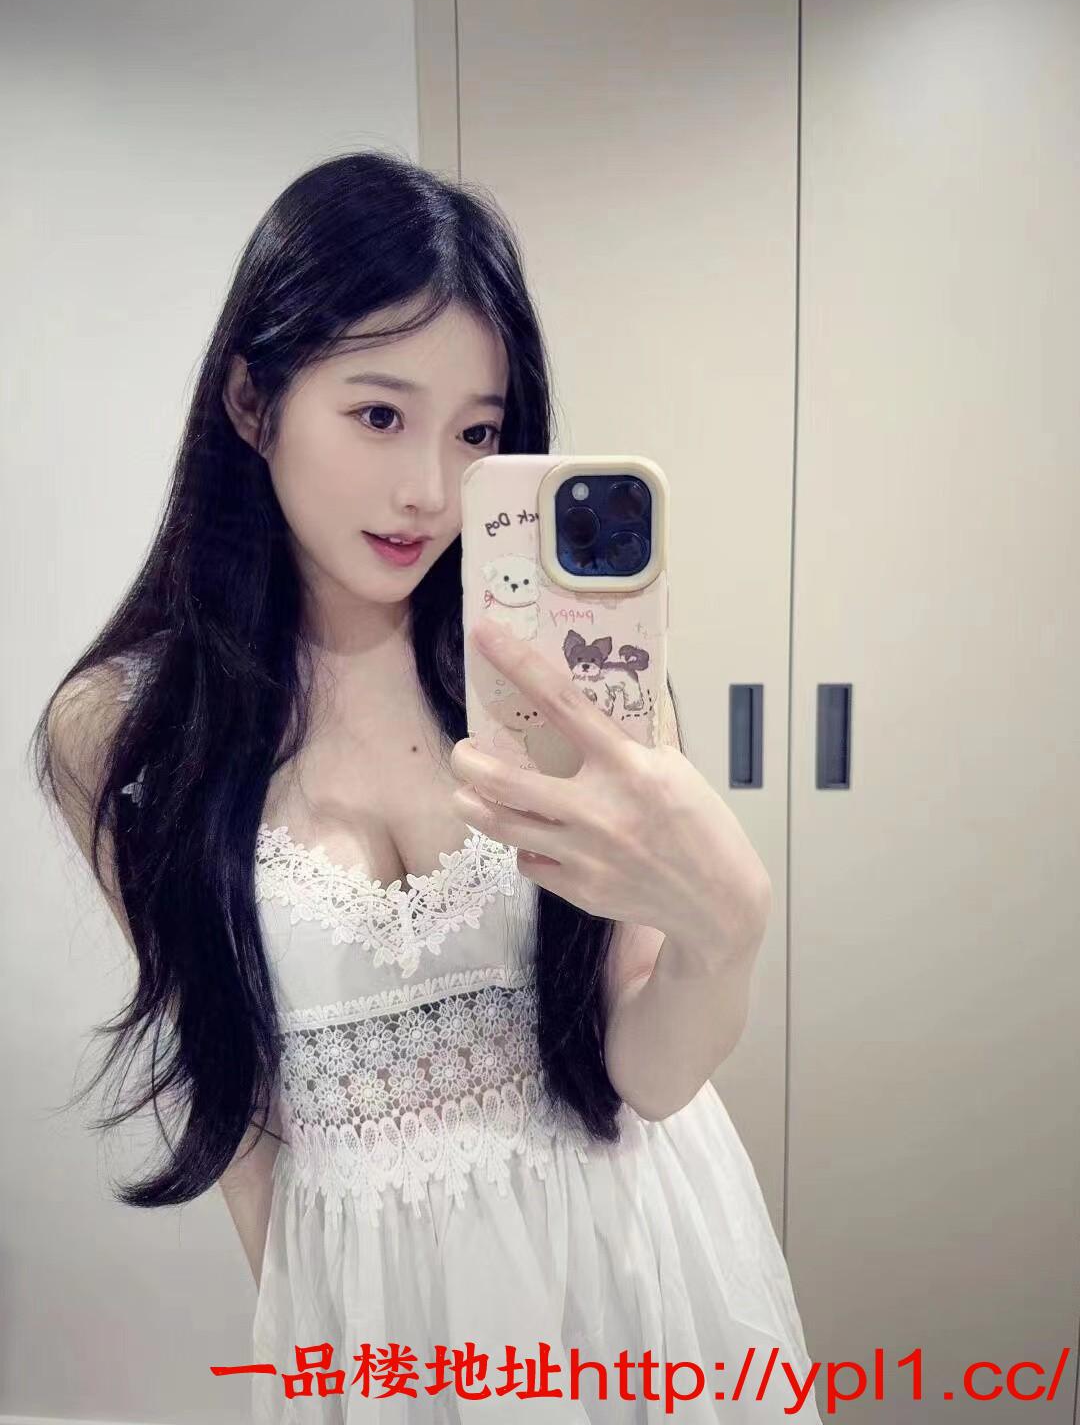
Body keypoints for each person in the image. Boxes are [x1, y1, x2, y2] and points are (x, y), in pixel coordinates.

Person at [33, 150, 823, 1423]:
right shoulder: (124, 733)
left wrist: (723, 936)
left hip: (624, 1263)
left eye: (478, 433)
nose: (430, 490)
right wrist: (307, 1343)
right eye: (379, 415)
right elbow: (240, 1101)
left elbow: (645, 1076)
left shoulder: (565, 686)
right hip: (378, 1314)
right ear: (253, 400)